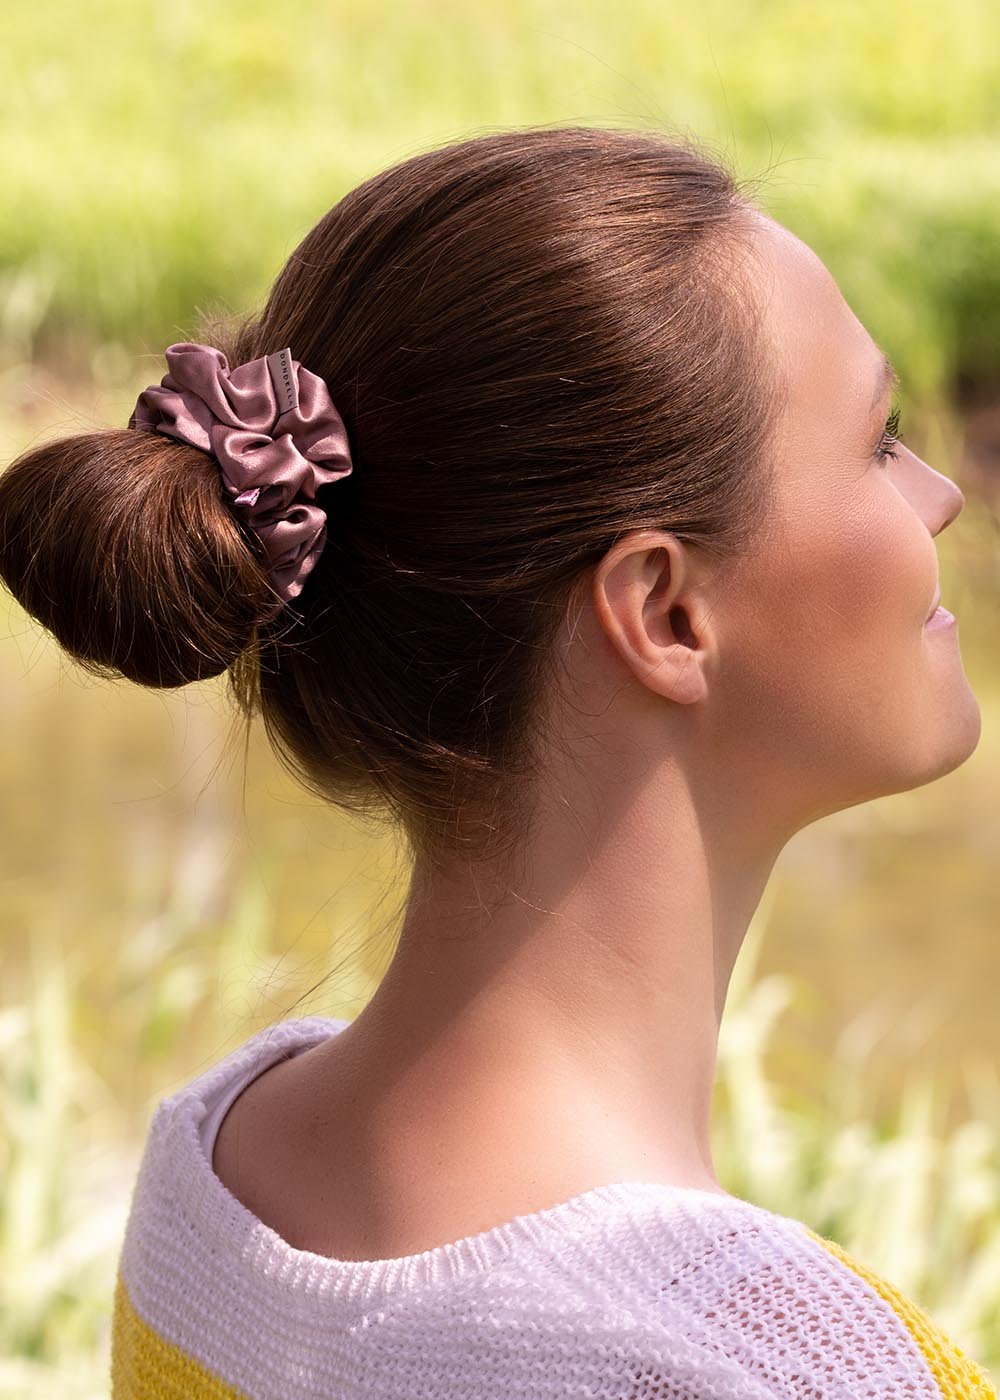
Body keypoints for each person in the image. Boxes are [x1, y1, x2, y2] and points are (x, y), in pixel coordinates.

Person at [0, 124, 993, 1398]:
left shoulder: (210, 1177)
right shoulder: (770, 1363)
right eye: (878, 440)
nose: (939, 496)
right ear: (665, 612)